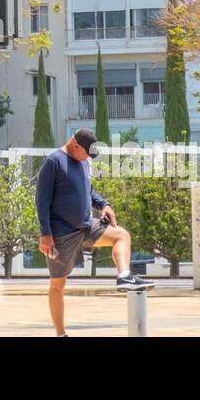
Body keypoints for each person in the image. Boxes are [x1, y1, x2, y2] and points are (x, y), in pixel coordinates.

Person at [36, 127, 152, 337]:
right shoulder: (54, 162)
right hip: (61, 234)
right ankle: (61, 334)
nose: (88, 158)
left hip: (87, 226)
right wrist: (45, 233)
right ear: (75, 145)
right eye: (86, 153)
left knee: (121, 235)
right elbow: (41, 200)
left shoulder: (82, 162)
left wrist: (103, 205)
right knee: (57, 285)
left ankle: (124, 276)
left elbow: (88, 190)